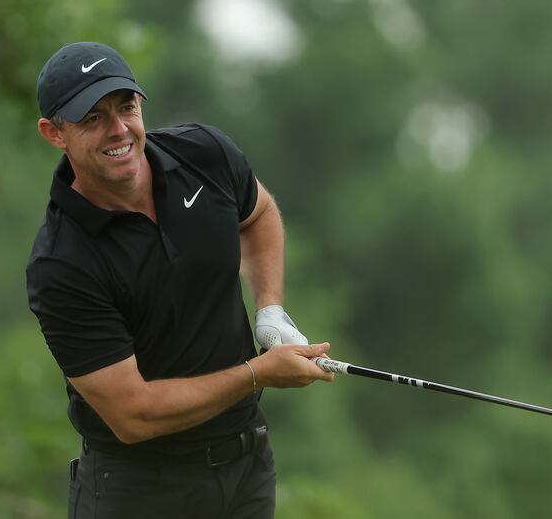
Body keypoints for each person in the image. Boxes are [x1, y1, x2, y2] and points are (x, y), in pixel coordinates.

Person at [26, 41, 333, 519]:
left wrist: (270, 308)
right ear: (54, 132)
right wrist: (258, 373)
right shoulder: (62, 265)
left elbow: (258, 214)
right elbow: (133, 414)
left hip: (247, 468)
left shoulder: (203, 154)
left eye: (126, 107)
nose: (118, 129)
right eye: (92, 118)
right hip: (140, 490)